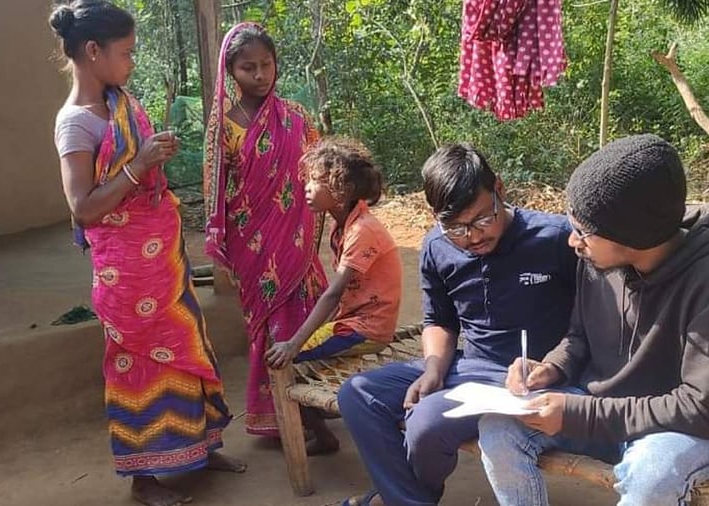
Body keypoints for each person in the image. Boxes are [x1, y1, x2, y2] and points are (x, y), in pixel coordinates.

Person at [477, 134, 709, 506]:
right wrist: (551, 367)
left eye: (583, 232)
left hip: (678, 429)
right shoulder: (597, 259)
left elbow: (704, 409)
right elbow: (579, 336)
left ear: (630, 234)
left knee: (652, 476)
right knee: (499, 427)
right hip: (603, 410)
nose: (573, 242)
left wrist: (580, 415)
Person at [49, 2, 245, 506]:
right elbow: (83, 209)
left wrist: (152, 157)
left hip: (163, 263)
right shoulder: (75, 124)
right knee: (139, 366)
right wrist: (138, 166)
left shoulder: (120, 102)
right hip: (126, 274)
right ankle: (144, 479)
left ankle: (201, 447)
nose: (132, 63)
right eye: (126, 53)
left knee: (186, 346)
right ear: (93, 51)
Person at [337, 143, 578, 506]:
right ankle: (407, 500)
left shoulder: (555, 238)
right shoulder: (437, 246)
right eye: (455, 227)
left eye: (482, 219)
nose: (473, 236)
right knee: (357, 394)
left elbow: (589, 322)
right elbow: (439, 320)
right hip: (471, 369)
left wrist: (553, 366)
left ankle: (398, 498)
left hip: (537, 374)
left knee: (426, 423)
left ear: (499, 189)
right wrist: (434, 371)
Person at [203, 22, 327, 438]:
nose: (259, 75)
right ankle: (282, 415)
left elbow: (318, 171)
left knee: (307, 313)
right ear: (230, 72)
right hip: (252, 241)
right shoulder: (225, 127)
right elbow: (216, 190)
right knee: (271, 322)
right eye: (248, 68)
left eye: (266, 64)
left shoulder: (296, 116)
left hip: (295, 235)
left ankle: (313, 404)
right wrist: (220, 238)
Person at [265, 137, 402, 455]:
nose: (307, 188)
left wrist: (294, 344)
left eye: (316, 181)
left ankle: (324, 435)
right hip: (353, 321)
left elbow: (333, 293)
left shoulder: (362, 231)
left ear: (342, 191)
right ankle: (323, 416)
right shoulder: (343, 226)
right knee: (288, 349)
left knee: (284, 359)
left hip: (366, 327)